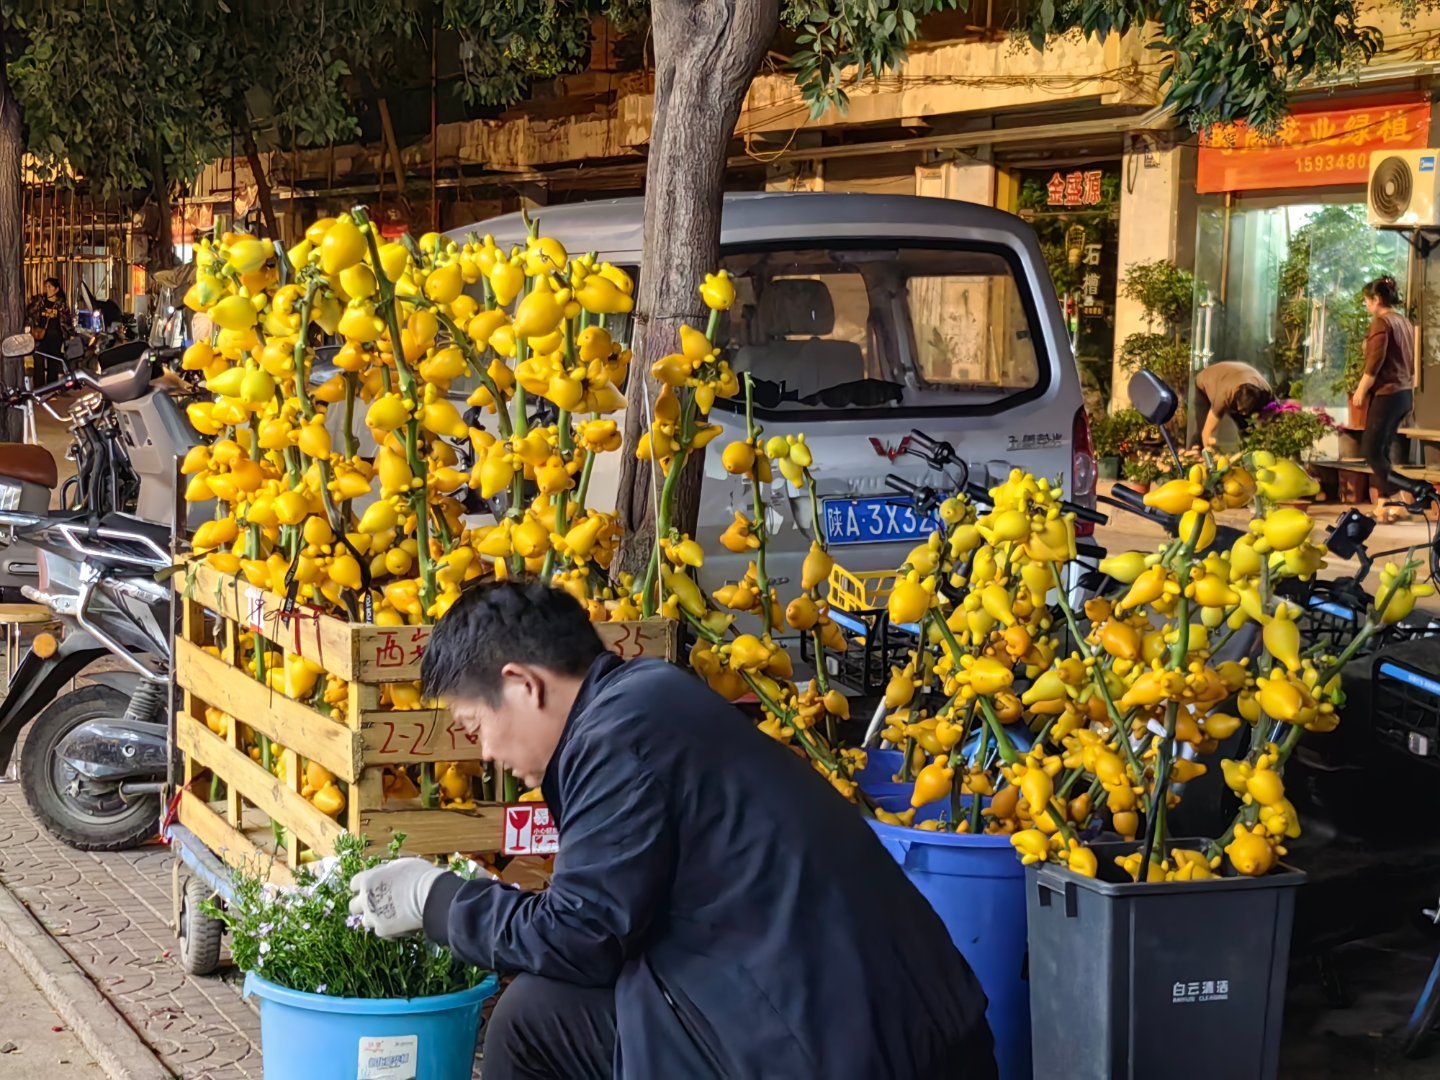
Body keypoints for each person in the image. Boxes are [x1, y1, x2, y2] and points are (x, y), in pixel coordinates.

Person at [349, 582, 996, 1080]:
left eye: (473, 726)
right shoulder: (647, 697)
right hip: (901, 1029)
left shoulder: (618, 740)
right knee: (543, 1011)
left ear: (521, 685)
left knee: (529, 1022)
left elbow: (582, 937)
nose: (484, 752)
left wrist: (432, 900)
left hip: (851, 1054)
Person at [1354, 275, 1416, 522]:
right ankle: (1384, 505)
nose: (1366, 306)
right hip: (1404, 393)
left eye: (1367, 301)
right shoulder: (1403, 322)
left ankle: (1405, 493)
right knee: (1381, 450)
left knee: (1370, 450)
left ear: (1376, 299)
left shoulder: (1382, 323)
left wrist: (1360, 389)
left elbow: (1375, 362)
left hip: (1388, 393)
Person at [1192, 360, 1274, 449]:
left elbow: (1273, 417)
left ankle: (1250, 450)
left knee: (1247, 427)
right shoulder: (1223, 396)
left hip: (1241, 376)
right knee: (1202, 428)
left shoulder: (1266, 392)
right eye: (1241, 410)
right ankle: (1196, 451)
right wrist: (1209, 455)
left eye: (1245, 410)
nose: (1243, 413)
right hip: (1207, 380)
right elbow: (1207, 432)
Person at [26, 277, 74, 385]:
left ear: (56, 289)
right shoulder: (40, 302)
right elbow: (30, 314)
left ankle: (52, 388)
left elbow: (66, 321)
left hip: (55, 338)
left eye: (50, 287)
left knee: (53, 364)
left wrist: (70, 334)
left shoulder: (61, 305)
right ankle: (39, 388)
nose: (47, 289)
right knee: (38, 363)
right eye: (46, 286)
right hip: (40, 337)